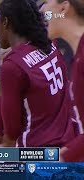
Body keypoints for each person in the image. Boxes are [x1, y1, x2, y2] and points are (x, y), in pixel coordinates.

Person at [0, 0, 75, 147]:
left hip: (37, 155)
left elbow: (12, 131)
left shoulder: (12, 66)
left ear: (5, 22)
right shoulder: (50, 45)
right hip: (68, 144)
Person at [40, 0, 84, 161]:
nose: (43, 8)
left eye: (47, 2)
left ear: (64, 7)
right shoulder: (77, 60)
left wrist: (62, 160)